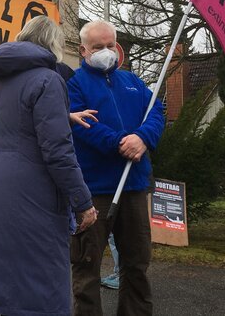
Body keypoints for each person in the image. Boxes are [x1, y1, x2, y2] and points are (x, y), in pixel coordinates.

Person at [0, 16, 97, 315]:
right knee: (40, 280)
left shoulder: (0, 81)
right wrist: (82, 201)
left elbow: (19, 124)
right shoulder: (48, 79)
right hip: (32, 188)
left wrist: (64, 116)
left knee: (10, 276)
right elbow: (57, 151)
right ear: (53, 45)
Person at [68, 19, 165, 315]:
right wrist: (123, 142)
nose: (106, 52)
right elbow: (83, 127)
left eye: (111, 45)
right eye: (98, 47)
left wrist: (143, 138)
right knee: (87, 266)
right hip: (93, 189)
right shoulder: (73, 84)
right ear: (84, 50)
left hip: (133, 187)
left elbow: (157, 113)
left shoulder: (133, 82)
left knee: (136, 263)